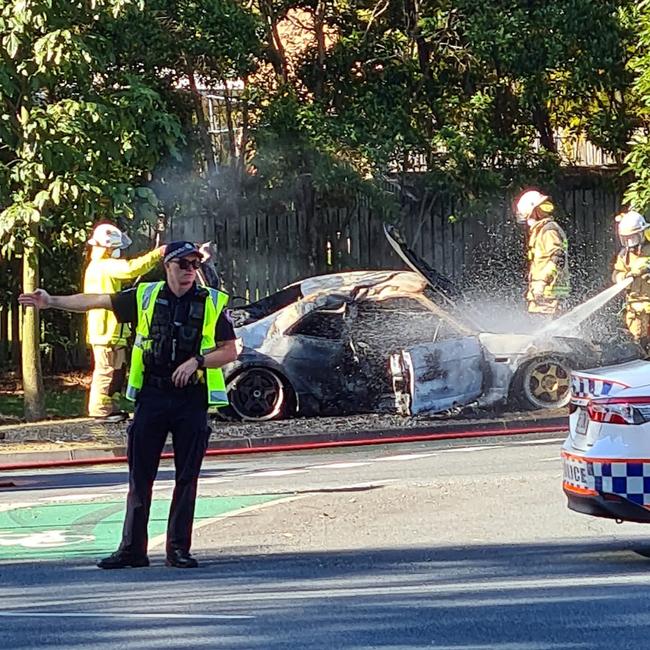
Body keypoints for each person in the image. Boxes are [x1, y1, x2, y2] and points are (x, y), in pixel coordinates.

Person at [19, 241, 239, 569]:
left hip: (191, 399)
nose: (189, 271)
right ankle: (132, 549)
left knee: (186, 476)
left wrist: (197, 361)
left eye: (194, 265)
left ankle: (178, 549)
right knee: (141, 476)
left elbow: (230, 351)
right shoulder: (145, 296)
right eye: (183, 265)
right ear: (167, 266)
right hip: (152, 396)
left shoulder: (210, 302)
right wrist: (51, 301)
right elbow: (96, 301)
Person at [84, 223, 165, 422]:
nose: (118, 251)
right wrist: (158, 254)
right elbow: (132, 269)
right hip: (107, 330)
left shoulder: (98, 266)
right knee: (106, 370)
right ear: (108, 247)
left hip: (112, 330)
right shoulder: (105, 265)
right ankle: (101, 411)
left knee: (116, 371)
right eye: (115, 247)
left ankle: (111, 407)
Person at [514, 189, 570, 315]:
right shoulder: (540, 230)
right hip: (544, 293)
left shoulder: (548, 231)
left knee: (548, 330)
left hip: (548, 294)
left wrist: (543, 282)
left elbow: (557, 257)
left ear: (534, 212)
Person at [612, 210, 650, 353]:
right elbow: (617, 272)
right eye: (626, 238)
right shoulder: (624, 255)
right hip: (635, 309)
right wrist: (620, 278)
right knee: (638, 343)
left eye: (633, 237)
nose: (630, 242)